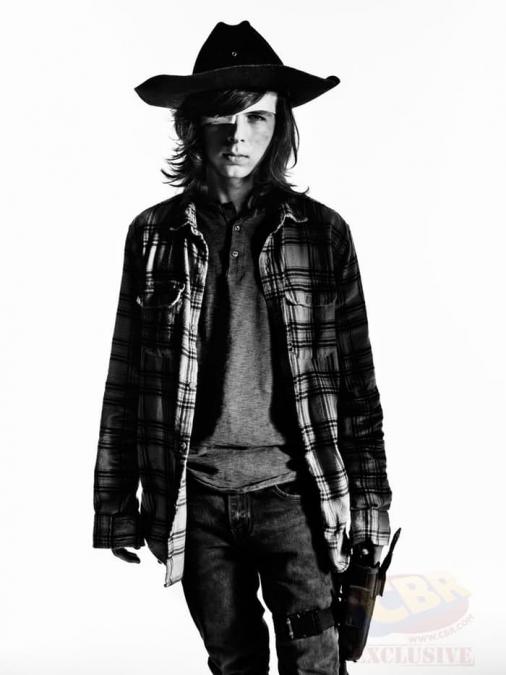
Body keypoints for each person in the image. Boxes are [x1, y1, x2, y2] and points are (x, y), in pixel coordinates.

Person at [92, 20, 392, 674]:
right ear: (193, 125)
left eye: (257, 118)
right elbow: (125, 377)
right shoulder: (153, 236)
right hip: (194, 497)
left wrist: (370, 509)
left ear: (279, 127)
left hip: (296, 494)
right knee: (233, 661)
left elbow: (357, 385)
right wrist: (115, 504)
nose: (238, 137)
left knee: (317, 662)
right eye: (223, 119)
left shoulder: (322, 235)